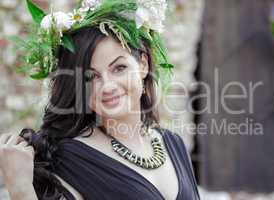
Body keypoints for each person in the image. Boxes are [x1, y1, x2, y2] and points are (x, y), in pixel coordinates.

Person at [0, 0, 200, 199]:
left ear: (143, 65)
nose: (107, 86)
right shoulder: (73, 159)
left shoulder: (173, 144)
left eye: (119, 68)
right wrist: (20, 188)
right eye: (91, 76)